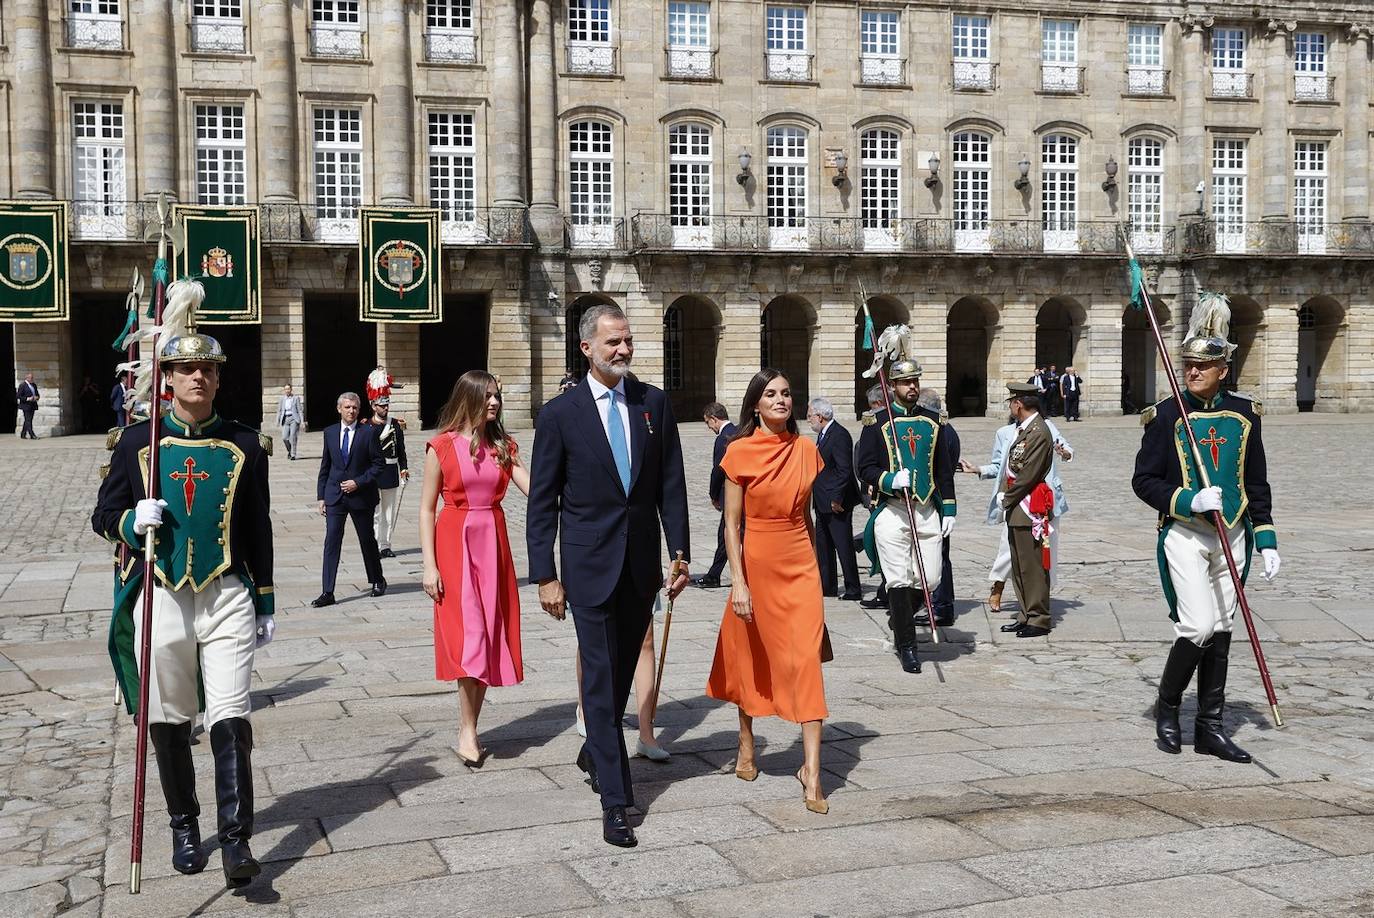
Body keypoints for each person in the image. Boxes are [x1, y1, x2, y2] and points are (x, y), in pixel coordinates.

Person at [91, 294, 275, 887]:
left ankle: (236, 841)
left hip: (225, 594)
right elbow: (104, 513)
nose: (199, 376)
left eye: (209, 368)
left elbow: (257, 527)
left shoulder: (246, 444)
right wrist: (129, 520)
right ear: (165, 379)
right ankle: (183, 823)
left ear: (219, 377)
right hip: (162, 592)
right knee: (167, 714)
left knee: (230, 712)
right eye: (186, 369)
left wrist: (265, 599)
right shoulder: (136, 444)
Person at [526, 303, 690, 848]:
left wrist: (681, 551)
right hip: (588, 565)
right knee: (599, 675)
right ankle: (617, 800)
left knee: (620, 672)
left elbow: (671, 483)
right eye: (613, 342)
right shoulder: (559, 415)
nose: (623, 350)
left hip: (640, 565)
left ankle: (592, 749)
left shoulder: (653, 404)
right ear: (586, 348)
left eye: (628, 340)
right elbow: (542, 503)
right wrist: (545, 576)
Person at [1132, 292, 1279, 764]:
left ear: (1223, 370)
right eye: (1188, 364)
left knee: (1222, 626)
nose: (1192, 371)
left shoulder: (1245, 413)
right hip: (1186, 533)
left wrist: (1267, 536)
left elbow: (1255, 480)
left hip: (1233, 532)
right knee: (1195, 624)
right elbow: (1143, 480)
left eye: (1202, 366)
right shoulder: (1167, 415)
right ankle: (1168, 708)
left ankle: (1210, 726)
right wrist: (1188, 499)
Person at [706, 369, 829, 815]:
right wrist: (737, 581)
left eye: (787, 393)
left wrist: (816, 570)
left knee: (806, 660)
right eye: (771, 394)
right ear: (755, 403)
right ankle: (746, 741)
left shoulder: (807, 449)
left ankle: (812, 770)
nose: (781, 400)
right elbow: (731, 526)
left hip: (799, 561)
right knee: (750, 654)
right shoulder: (739, 451)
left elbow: (809, 519)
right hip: (756, 561)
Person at [421, 371, 529, 765]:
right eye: (486, 397)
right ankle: (467, 729)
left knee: (490, 636)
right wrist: (429, 566)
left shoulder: (503, 446)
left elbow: (535, 488)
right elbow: (426, 508)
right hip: (456, 544)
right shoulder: (442, 446)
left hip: (494, 544)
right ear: (467, 399)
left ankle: (471, 724)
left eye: (497, 396)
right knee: (470, 640)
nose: (494, 403)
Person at [855, 356, 957, 674]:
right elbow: (865, 467)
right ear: (893, 386)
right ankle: (908, 646)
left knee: (930, 577)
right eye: (905, 382)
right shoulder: (877, 423)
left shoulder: (934, 421)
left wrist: (950, 508)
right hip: (894, 509)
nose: (912, 387)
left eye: (915, 381)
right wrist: (888, 479)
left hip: (926, 508)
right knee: (898, 578)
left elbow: (944, 468)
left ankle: (900, 622)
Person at [962, 411, 1073, 613]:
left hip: (1044, 498)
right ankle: (999, 584)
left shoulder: (1045, 427)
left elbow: (1066, 448)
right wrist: (978, 469)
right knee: (1008, 546)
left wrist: (1064, 452)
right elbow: (999, 466)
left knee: (1047, 548)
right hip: (1018, 498)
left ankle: (1040, 595)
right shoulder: (1004, 433)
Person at [313, 392, 387, 607]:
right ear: (339, 409)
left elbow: (378, 465)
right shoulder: (329, 433)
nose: (351, 411)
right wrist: (321, 496)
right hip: (335, 496)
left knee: (367, 540)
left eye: (355, 408)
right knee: (331, 542)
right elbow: (325, 466)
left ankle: (377, 580)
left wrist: (359, 482)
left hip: (361, 496)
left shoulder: (368, 433)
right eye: (347, 407)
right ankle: (328, 591)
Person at [997, 382, 1056, 638]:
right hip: (1019, 505)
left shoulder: (1039, 431)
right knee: (1019, 566)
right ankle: (1025, 614)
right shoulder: (1025, 429)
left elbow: (1029, 473)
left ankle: (1038, 618)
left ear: (1018, 404)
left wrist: (1007, 498)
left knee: (1032, 567)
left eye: (1012, 402)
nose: (1011, 406)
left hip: (1029, 505)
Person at [806, 397, 860, 601]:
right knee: (824, 545)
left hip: (836, 503)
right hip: (821, 502)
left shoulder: (839, 435)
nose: (809, 419)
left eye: (810, 415)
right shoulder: (823, 435)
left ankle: (853, 587)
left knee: (843, 545)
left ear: (820, 416)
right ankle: (827, 586)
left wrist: (836, 498)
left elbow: (844, 470)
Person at [912, 389, 958, 627]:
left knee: (939, 557)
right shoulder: (946, 430)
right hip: (933, 501)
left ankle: (941, 607)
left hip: (935, 502)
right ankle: (935, 603)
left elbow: (941, 473)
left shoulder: (940, 432)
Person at [694, 402, 736, 589]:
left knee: (726, 534)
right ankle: (714, 574)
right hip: (741, 494)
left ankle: (714, 576)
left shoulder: (723, 438)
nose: (709, 427)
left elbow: (718, 470)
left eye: (708, 423)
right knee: (730, 534)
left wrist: (713, 494)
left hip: (729, 495)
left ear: (714, 419)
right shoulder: (739, 431)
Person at [856, 385, 889, 612]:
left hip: (887, 496)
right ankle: (886, 592)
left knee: (886, 546)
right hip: (879, 492)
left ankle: (889, 594)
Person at [368, 395, 409, 559]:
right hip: (373, 473)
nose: (385, 408)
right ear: (373, 406)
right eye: (381, 406)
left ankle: (385, 545)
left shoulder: (394, 425)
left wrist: (404, 469)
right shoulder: (368, 425)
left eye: (386, 405)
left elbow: (401, 450)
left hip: (391, 471)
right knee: (376, 512)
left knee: (388, 512)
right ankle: (375, 545)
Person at [276, 384, 304, 459]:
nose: (287, 390)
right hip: (285, 419)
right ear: (284, 390)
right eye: (286, 389)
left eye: (288, 389)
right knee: (284, 437)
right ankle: (290, 450)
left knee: (293, 436)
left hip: (294, 419)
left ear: (291, 389)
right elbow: (279, 410)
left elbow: (299, 410)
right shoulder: (282, 399)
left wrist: (302, 421)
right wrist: (277, 421)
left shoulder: (296, 398)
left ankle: (293, 454)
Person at [15, 372, 39, 439]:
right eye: (31, 378)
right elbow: (18, 396)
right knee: (28, 420)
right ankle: (32, 435)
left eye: (32, 378)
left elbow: (37, 393)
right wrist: (28, 398)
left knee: (28, 420)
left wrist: (37, 397)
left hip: (33, 405)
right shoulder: (22, 385)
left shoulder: (34, 385)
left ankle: (23, 434)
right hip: (25, 405)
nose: (32, 379)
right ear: (27, 378)